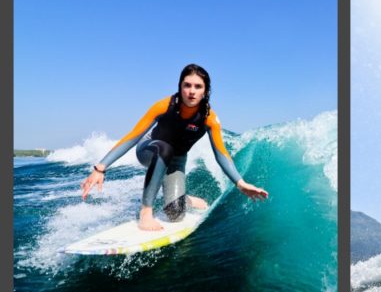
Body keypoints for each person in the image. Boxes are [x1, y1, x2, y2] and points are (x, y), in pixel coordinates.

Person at [80, 64, 269, 230]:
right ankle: (146, 212)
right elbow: (133, 137)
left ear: (206, 91)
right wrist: (100, 167)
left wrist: (240, 183)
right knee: (165, 149)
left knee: (175, 214)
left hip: (176, 160)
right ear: (180, 87)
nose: (192, 91)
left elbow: (221, 154)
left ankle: (184, 200)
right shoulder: (164, 106)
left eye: (198, 86)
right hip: (150, 149)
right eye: (187, 85)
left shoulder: (210, 119)